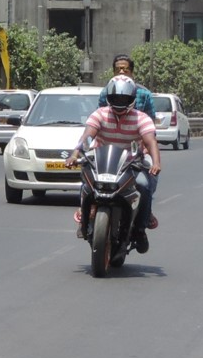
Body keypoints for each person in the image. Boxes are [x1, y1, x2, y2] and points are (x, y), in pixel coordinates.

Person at [67, 76, 162, 252]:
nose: (119, 102)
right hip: (103, 160)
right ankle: (85, 216)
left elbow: (150, 142)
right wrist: (74, 154)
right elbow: (87, 136)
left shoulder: (141, 118)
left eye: (123, 98)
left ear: (132, 98)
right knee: (86, 179)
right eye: (116, 98)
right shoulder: (100, 114)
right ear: (109, 98)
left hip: (132, 162)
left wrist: (156, 162)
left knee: (143, 184)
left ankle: (141, 228)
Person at [106, 53, 156, 119]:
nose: (121, 72)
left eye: (125, 69)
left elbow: (150, 120)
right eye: (117, 69)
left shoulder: (144, 94)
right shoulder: (106, 93)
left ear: (132, 72)